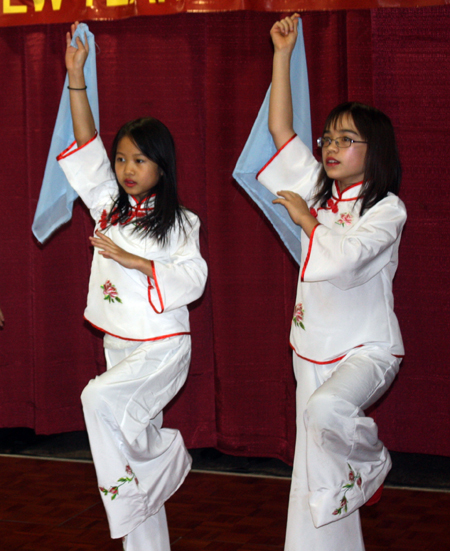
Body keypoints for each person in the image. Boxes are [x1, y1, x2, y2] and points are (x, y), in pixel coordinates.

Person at [256, 14, 407, 551]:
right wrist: (282, 54)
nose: (331, 147)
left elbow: (347, 260)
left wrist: (307, 221)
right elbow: (280, 130)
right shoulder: (316, 189)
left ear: (375, 151)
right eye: (328, 137)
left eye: (347, 139)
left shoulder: (386, 210)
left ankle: (373, 464)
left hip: (367, 351)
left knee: (327, 415)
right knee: (315, 476)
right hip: (309, 350)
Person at [57, 23, 207, 551]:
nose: (125, 168)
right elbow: (86, 143)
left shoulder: (182, 221)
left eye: (139, 160)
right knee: (125, 438)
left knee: (96, 400)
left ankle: (171, 455)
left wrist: (137, 260)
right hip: (120, 345)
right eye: (122, 159)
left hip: (163, 349)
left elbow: (194, 277)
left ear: (161, 167)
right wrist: (77, 78)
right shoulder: (107, 206)